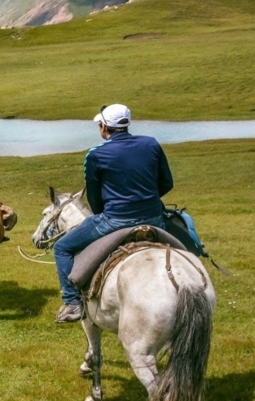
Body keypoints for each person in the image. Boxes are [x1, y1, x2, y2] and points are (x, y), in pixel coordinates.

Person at [53, 104, 173, 323]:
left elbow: (95, 199)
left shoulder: (96, 154)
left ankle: (72, 303)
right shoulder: (152, 144)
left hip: (115, 220)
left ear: (103, 127)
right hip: (154, 217)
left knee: (62, 247)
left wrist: (105, 213)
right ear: (127, 124)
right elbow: (166, 183)